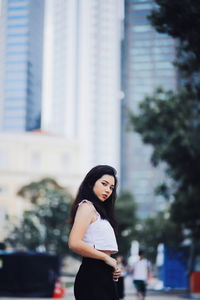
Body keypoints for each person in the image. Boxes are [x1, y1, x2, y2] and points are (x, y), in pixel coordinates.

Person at [68, 165, 121, 300]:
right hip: (92, 276)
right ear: (91, 182)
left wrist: (113, 265)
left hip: (105, 275)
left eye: (111, 187)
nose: (108, 190)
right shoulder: (87, 207)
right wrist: (106, 258)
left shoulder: (100, 212)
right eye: (104, 184)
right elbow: (74, 243)